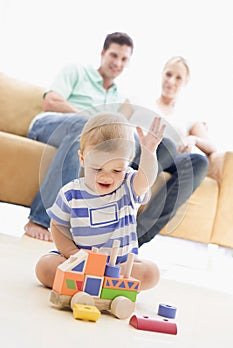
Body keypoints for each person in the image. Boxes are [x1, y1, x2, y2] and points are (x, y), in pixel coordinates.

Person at [24, 31, 175, 242]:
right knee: (85, 128)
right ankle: (41, 219)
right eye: (114, 55)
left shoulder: (121, 98)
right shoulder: (76, 72)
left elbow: (117, 138)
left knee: (157, 146)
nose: (118, 63)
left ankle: (110, 220)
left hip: (86, 138)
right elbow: (51, 101)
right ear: (103, 53)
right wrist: (92, 122)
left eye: (124, 59)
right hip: (50, 126)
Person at [35, 112, 165, 290]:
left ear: (127, 165)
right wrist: (73, 254)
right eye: (97, 168)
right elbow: (58, 226)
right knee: (45, 266)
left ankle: (102, 282)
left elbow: (146, 180)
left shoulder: (128, 185)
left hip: (119, 266)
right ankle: (92, 282)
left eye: (117, 170)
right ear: (82, 159)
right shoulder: (71, 194)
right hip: (81, 262)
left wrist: (149, 153)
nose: (106, 177)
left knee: (152, 272)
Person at [131, 56, 215, 246]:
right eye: (168, 74)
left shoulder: (188, 115)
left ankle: (136, 237)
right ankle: (117, 210)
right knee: (166, 144)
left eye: (178, 78)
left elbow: (212, 146)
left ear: (185, 83)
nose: (171, 81)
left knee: (199, 162)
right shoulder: (143, 102)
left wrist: (193, 139)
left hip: (170, 160)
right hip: (141, 154)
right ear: (162, 74)